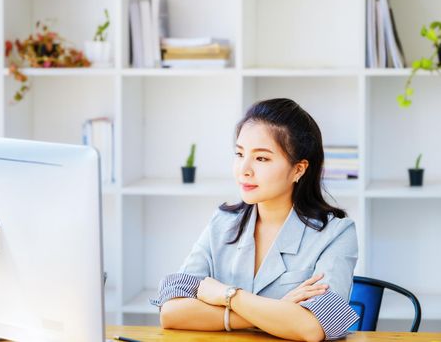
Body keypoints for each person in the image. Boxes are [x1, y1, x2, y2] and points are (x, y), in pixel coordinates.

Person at [150, 98, 360, 342]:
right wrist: (277, 309)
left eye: (262, 158)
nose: (244, 170)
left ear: (299, 169)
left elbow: (313, 327)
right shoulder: (223, 221)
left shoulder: (336, 233)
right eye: (239, 154)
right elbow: (172, 312)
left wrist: (227, 296)